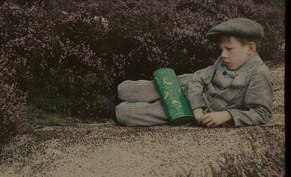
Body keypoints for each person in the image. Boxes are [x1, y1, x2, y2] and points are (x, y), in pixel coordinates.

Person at [108, 18, 274, 128]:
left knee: (125, 114)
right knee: (126, 89)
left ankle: (105, 108)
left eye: (229, 49)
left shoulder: (258, 73)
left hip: (184, 108)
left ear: (250, 48)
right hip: (186, 87)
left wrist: (227, 115)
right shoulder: (227, 58)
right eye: (222, 49)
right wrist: (198, 109)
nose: (223, 55)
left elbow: (262, 113)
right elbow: (197, 78)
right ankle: (106, 98)